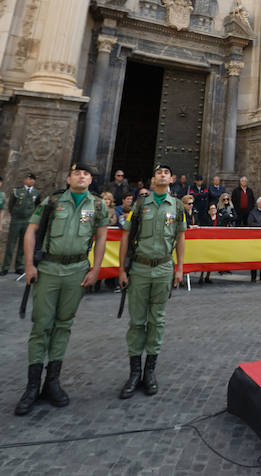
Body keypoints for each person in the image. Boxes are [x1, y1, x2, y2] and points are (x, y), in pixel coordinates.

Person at [14, 163, 109, 416]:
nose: (81, 176)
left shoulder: (97, 205)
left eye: (86, 174)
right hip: (49, 269)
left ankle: (52, 381)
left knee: (64, 324)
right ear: (68, 178)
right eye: (77, 173)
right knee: (41, 326)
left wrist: (96, 269)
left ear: (91, 180)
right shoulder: (52, 201)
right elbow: (31, 231)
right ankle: (32, 386)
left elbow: (101, 238)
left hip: (77, 269)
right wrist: (30, 265)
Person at [118, 164, 185, 399]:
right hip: (140, 268)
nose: (163, 175)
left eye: (167, 172)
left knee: (157, 321)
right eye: (158, 172)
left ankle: (150, 372)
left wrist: (180, 268)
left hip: (164, 267)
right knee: (137, 321)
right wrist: (122, 269)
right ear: (153, 177)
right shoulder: (140, 204)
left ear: (172, 178)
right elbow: (126, 236)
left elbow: (181, 237)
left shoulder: (176, 205)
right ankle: (134, 373)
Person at [2, 173, 41, 276]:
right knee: (11, 243)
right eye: (29, 179)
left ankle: (19, 266)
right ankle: (5, 267)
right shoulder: (17, 191)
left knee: (23, 244)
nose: (31, 181)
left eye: (33, 179)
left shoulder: (37, 192)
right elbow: (11, 205)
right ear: (25, 180)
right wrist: (15, 214)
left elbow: (37, 206)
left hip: (28, 221)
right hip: (16, 220)